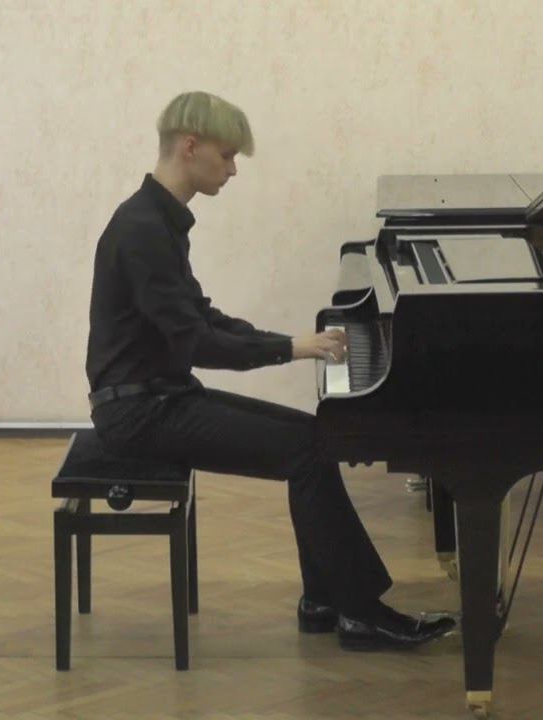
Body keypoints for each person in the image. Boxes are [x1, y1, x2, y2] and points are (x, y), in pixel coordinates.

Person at [84, 91, 455, 650]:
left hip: (158, 398)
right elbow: (197, 342)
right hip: (138, 413)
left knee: (313, 438)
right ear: (190, 147)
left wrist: (285, 341)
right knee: (306, 449)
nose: (233, 170)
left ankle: (325, 599)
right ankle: (359, 613)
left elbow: (201, 317)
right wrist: (292, 349)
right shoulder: (142, 229)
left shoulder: (155, 220)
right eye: (227, 155)